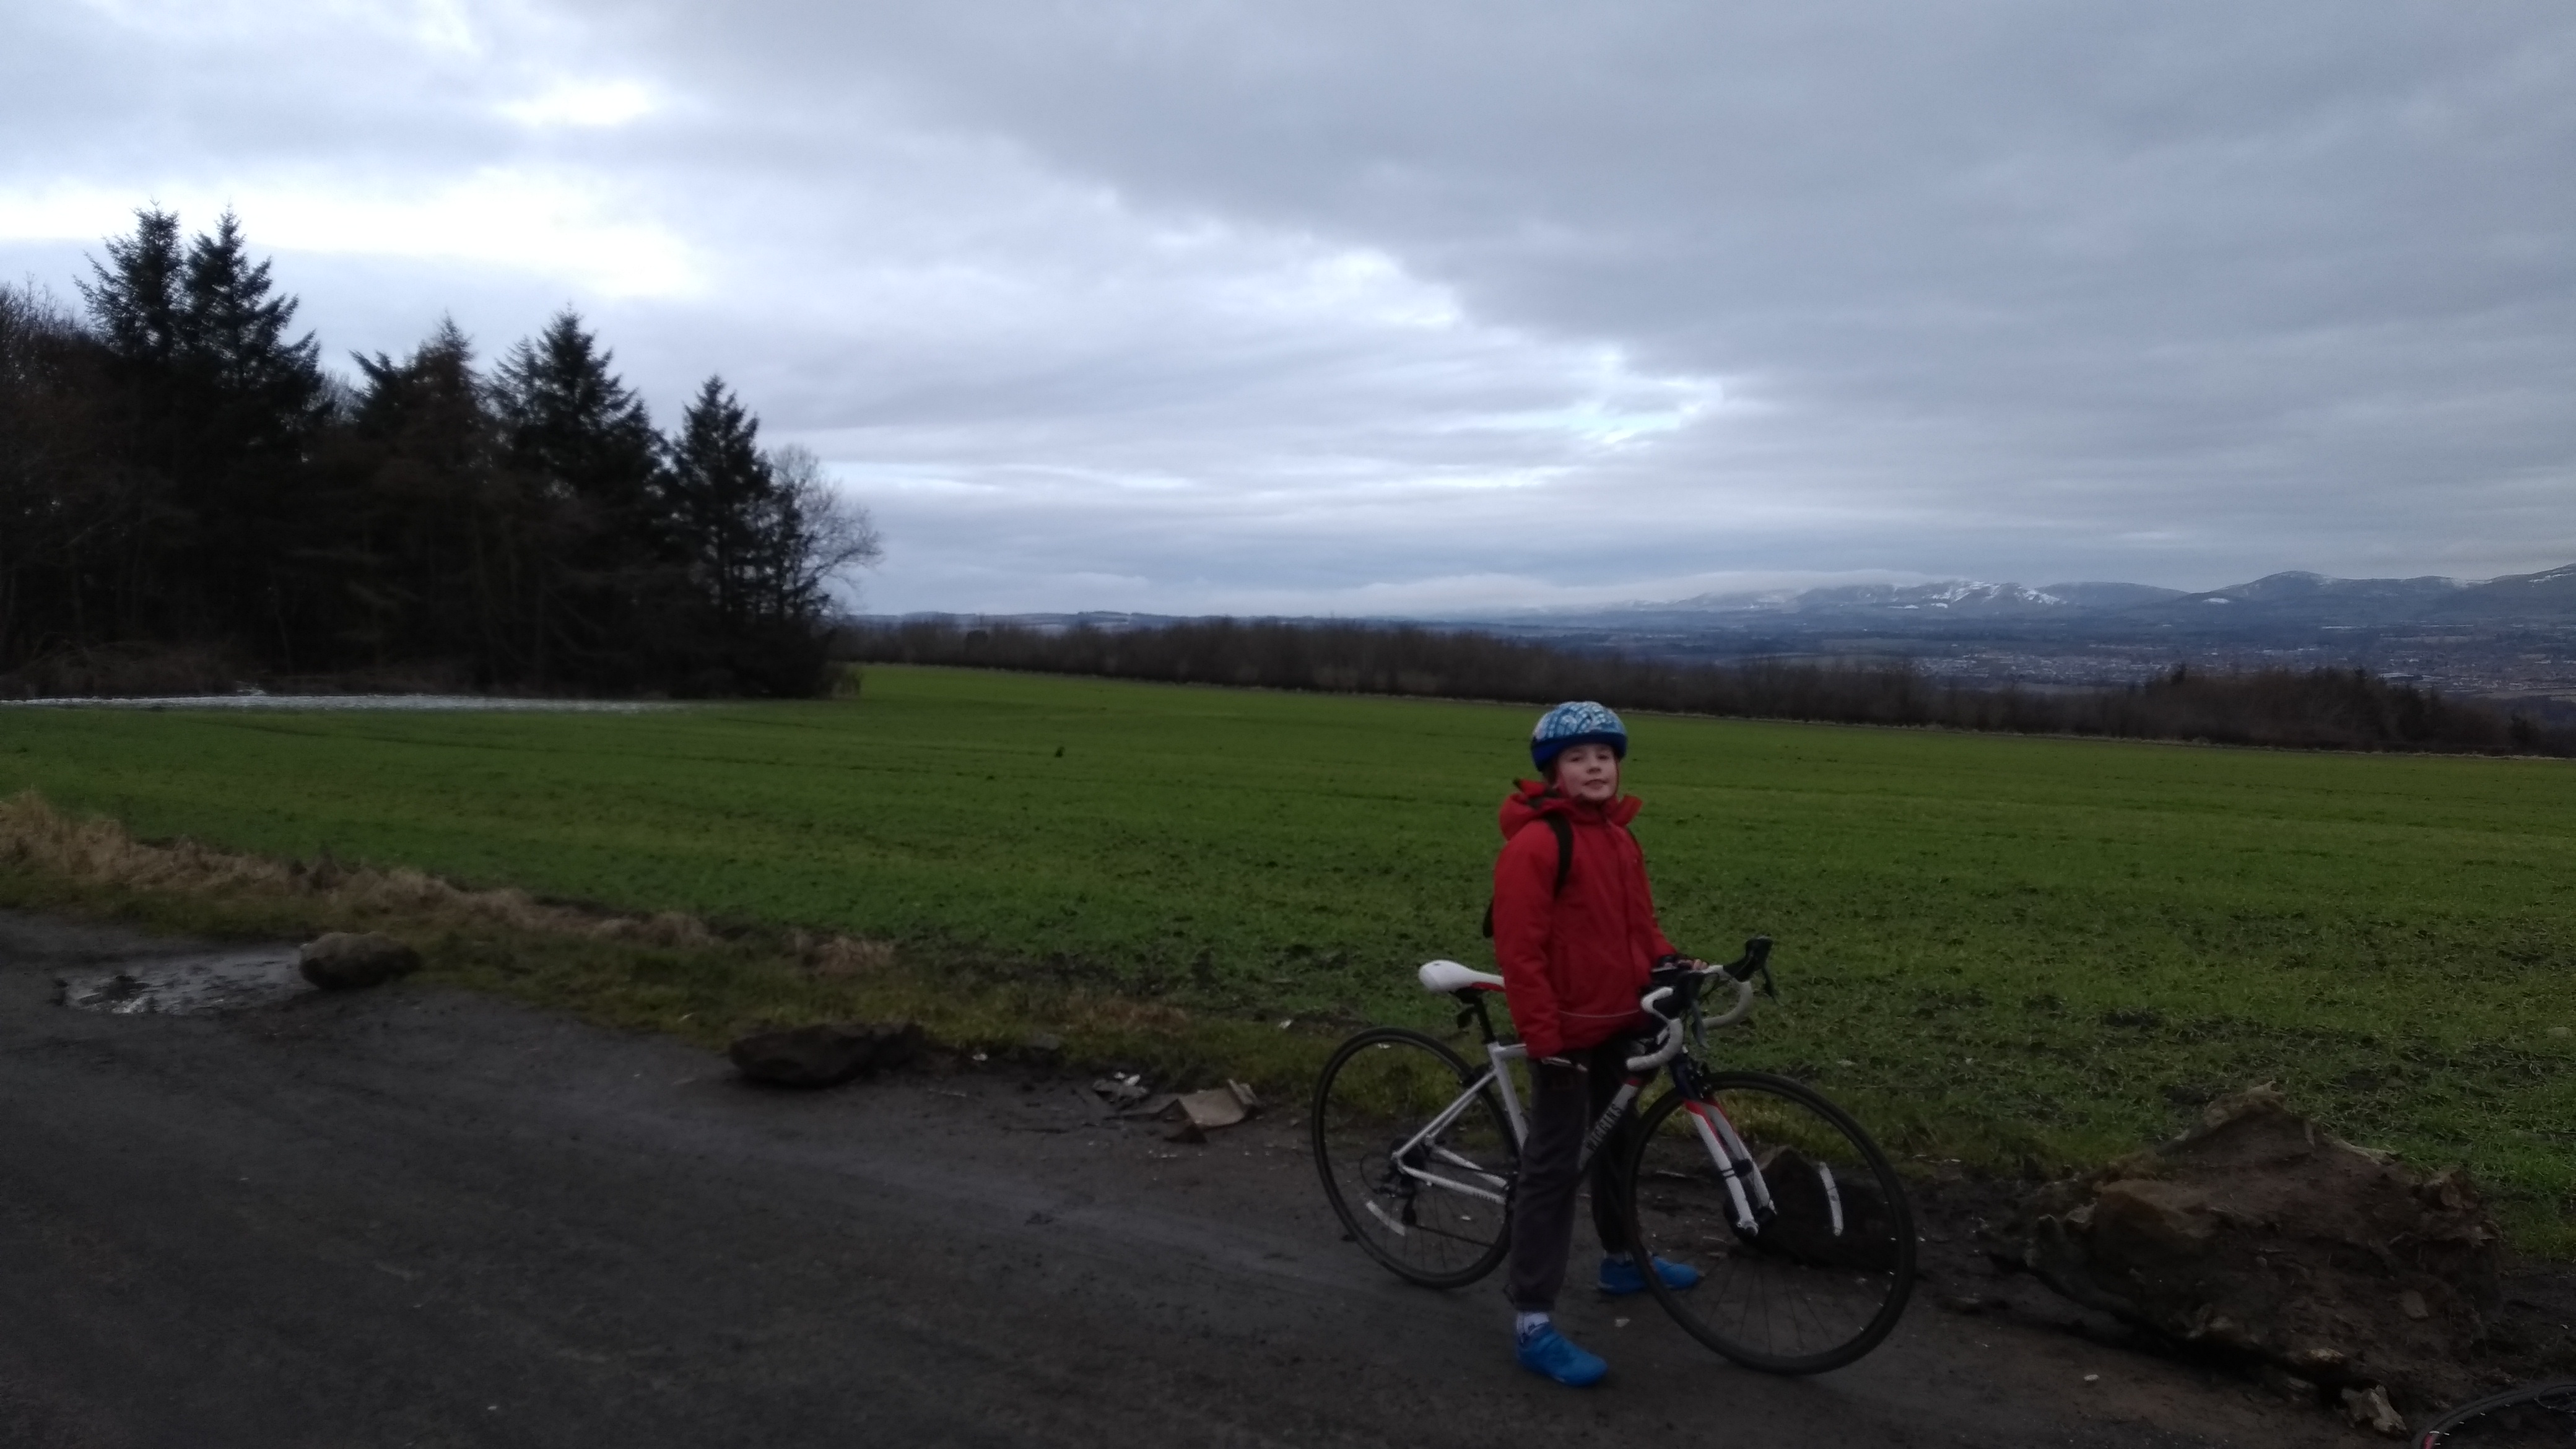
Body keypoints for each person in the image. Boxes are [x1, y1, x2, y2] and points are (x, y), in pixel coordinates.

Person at [1490, 700, 1702, 1386]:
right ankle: (1532, 1321)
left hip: (1617, 1019)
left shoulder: (1617, 838)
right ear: (1553, 772)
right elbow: (1520, 954)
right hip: (1564, 1033)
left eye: (1604, 756)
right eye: (1577, 758)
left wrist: (1671, 963)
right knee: (1553, 1169)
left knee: (1620, 1143)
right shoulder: (1536, 845)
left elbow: (1639, 928)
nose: (1594, 768)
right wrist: (1544, 1040)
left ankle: (1621, 1260)